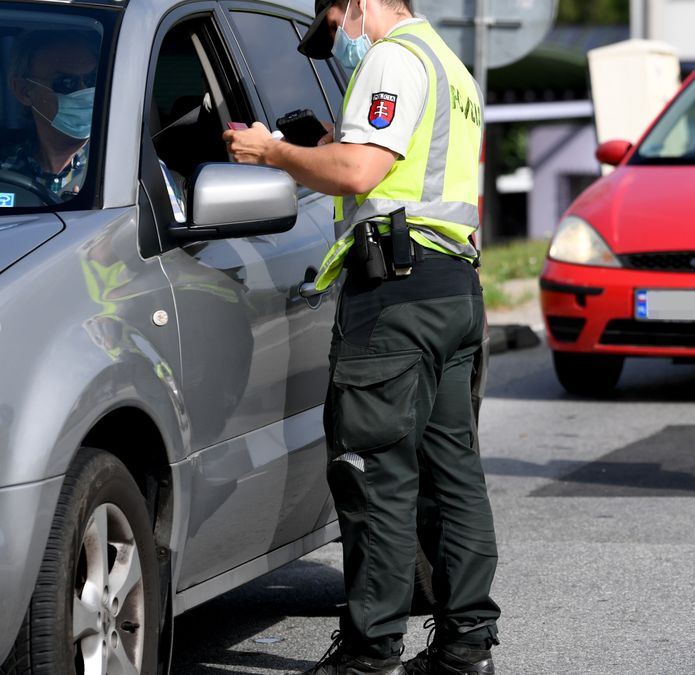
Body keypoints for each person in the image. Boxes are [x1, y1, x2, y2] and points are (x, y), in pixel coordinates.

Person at [225, 0, 500, 672]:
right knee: (452, 476)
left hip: (397, 298)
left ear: (354, 4)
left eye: (330, 24)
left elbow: (360, 173)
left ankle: (369, 653)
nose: (337, 40)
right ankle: (466, 648)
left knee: (375, 474)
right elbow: (398, 169)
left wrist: (274, 152)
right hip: (454, 288)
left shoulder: (392, 56)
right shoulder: (451, 68)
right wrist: (325, 145)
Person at [2, 30, 97, 202]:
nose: (85, 92)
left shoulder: (128, 167)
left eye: (92, 80)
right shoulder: (5, 169)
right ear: (24, 91)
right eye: (67, 82)